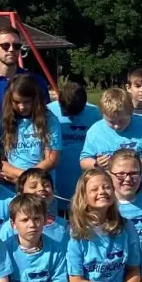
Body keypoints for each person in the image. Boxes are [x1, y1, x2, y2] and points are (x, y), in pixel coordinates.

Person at [85, 88, 142, 200]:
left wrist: (134, 166)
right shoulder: (95, 131)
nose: (117, 126)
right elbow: (84, 160)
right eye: (111, 122)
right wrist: (96, 164)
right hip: (108, 196)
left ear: (131, 112)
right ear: (103, 115)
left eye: (122, 121)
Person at [47, 81, 100, 214]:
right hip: (56, 183)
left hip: (82, 184)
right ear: (59, 100)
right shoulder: (48, 111)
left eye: (76, 114)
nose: (71, 117)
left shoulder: (96, 114)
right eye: (66, 113)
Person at [0, 26, 52, 114]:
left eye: (16, 46)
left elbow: (46, 118)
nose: (11, 49)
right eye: (5, 46)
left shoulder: (36, 81)